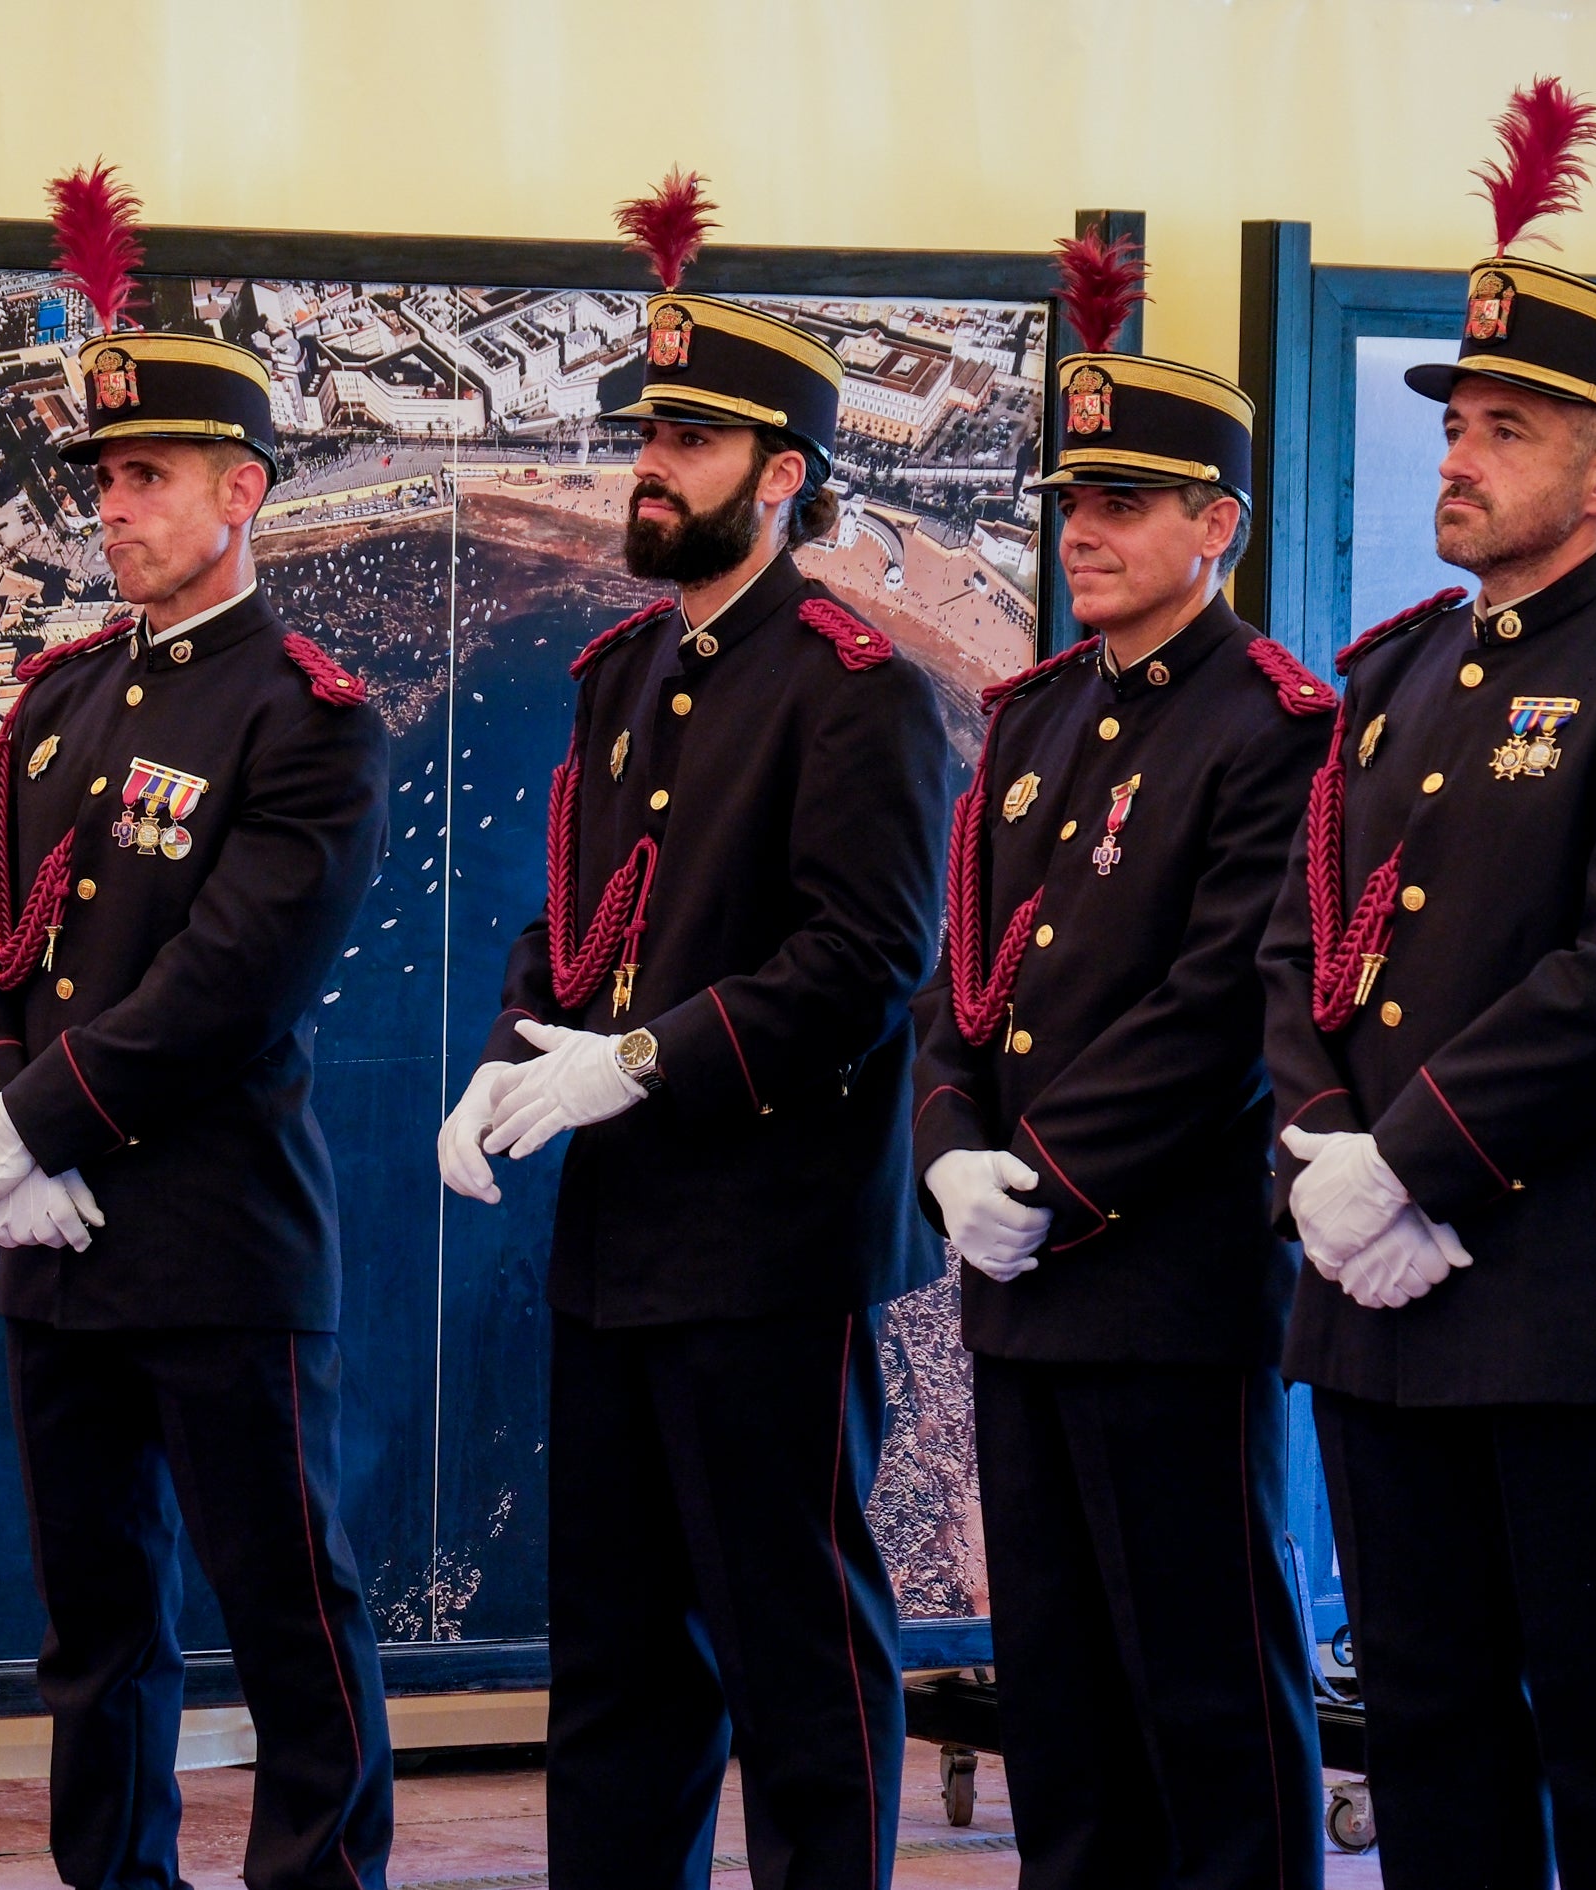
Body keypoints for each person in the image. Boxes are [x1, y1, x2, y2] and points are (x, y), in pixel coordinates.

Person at [1258, 82, 1596, 1888]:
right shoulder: (1394, 674)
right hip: (1377, 1299)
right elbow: (1300, 944)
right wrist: (1326, 1161)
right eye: (1457, 421)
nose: (1458, 455)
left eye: (1508, 426)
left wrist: (1407, 1164)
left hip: (1560, 1289)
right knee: (1428, 1724)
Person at [436, 184, 947, 1890]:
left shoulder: (853, 683)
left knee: (796, 1650)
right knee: (618, 1663)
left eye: (690, 438)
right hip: (616, 1247)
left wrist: (640, 1061)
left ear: (784, 472)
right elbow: (577, 919)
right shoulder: (623, 673)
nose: (647, 463)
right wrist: (515, 1050)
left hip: (771, 1246)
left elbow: (867, 959)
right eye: (647, 432)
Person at [0, 166, 394, 1890]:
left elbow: (230, 979)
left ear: (240, 491)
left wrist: (33, 1122)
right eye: (104, 479)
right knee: (95, 1625)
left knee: (289, 1614)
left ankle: (315, 1880)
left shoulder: (307, 718)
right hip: (54, 1250)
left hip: (213, 1241)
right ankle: (112, 1879)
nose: (110, 508)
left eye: (144, 476)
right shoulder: (56, 698)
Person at [911, 228, 1327, 1890]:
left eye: (1127, 504)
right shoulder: (1029, 717)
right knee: (1063, 1700)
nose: (1081, 530)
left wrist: (1049, 1179)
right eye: (1072, 502)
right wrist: (948, 1141)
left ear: (1215, 526)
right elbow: (970, 972)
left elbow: (1221, 1003)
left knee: (1207, 1690)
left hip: (1161, 1277)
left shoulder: (1269, 721)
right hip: (1016, 1275)